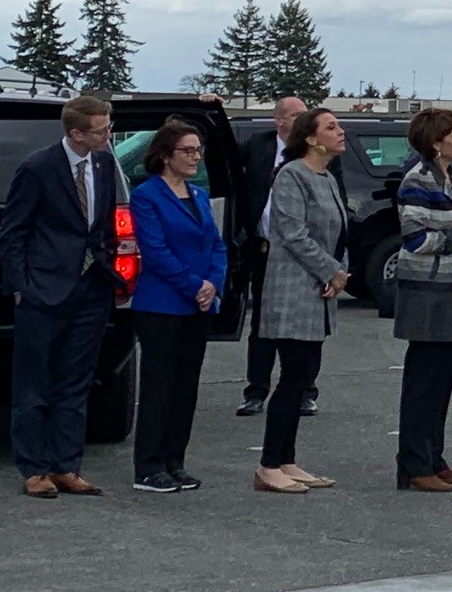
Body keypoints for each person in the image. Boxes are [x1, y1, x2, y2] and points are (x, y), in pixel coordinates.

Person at [1, 94, 122, 499]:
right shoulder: (38, 167)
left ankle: (66, 465)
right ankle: (34, 469)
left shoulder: (104, 164)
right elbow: (14, 231)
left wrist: (107, 271)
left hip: (91, 288)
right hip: (44, 291)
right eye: (102, 129)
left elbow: (102, 224)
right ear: (76, 133)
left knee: (76, 380)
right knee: (34, 382)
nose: (109, 134)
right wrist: (21, 286)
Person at [391, 107, 452, 493]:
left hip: (447, 292)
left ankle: (434, 457)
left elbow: (445, 229)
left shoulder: (448, 178)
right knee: (423, 382)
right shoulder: (418, 180)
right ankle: (414, 464)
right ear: (435, 142)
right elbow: (415, 240)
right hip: (425, 295)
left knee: (441, 380)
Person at [128, 119, 228, 493]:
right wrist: (192, 284)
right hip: (162, 304)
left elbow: (216, 245)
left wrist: (213, 284)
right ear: (165, 155)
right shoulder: (147, 196)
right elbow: (155, 251)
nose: (195, 157)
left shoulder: (199, 195)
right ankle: (148, 465)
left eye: (198, 150)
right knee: (160, 385)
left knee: (186, 386)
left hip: (198, 304)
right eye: (187, 151)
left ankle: (175, 460)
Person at [255, 106, 350, 494]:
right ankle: (268, 464)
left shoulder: (326, 177)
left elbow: (339, 231)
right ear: (311, 138)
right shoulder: (291, 175)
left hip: (320, 291)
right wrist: (330, 269)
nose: (341, 131)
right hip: (294, 290)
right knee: (291, 378)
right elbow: (292, 233)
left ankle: (288, 459)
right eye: (332, 127)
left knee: (305, 376)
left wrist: (338, 270)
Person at [238, 95, 312, 418]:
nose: (303, 121)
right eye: (296, 116)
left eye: (306, 115)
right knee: (263, 324)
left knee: (304, 325)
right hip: (264, 250)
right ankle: (256, 391)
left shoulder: (314, 154)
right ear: (279, 120)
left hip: (303, 253)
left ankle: (305, 391)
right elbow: (219, 152)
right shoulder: (258, 145)